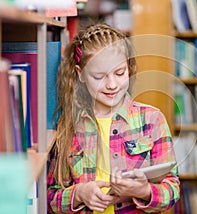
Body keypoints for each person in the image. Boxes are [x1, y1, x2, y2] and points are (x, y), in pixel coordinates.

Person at [47, 23, 180, 214]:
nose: (111, 85)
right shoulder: (68, 126)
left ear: (129, 68)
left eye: (119, 73)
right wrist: (78, 194)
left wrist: (144, 191)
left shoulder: (152, 120)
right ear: (80, 74)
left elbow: (172, 191)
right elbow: (50, 198)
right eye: (99, 76)